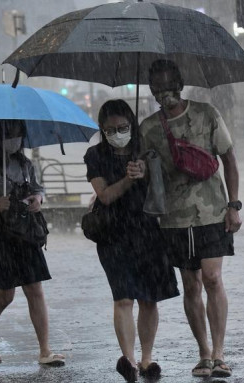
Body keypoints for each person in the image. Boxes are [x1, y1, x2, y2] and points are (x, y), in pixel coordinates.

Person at [139, 59, 242, 379]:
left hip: (212, 211)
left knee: (212, 278)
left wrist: (233, 205)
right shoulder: (149, 128)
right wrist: (138, 171)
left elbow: (229, 158)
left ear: (180, 83)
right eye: (157, 86)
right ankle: (204, 354)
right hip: (174, 219)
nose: (164, 91)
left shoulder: (207, 114)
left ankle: (221, 352)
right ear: (152, 90)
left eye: (169, 83)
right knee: (191, 284)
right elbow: (146, 174)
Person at [83, 99, 180, 382]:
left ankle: (147, 359)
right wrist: (128, 179)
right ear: (102, 129)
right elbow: (105, 196)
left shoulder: (147, 150)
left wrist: (148, 170)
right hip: (114, 235)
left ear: (131, 124)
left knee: (149, 299)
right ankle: (129, 361)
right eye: (111, 129)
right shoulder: (95, 155)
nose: (117, 132)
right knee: (123, 298)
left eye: (123, 127)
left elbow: (164, 189)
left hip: (149, 232)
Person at [0, 120, 64, 366]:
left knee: (34, 289)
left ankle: (44, 350)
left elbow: (39, 189)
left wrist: (38, 199)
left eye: (19, 133)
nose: (15, 138)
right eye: (10, 133)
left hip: (25, 233)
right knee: (5, 295)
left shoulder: (25, 164)